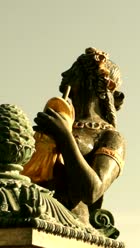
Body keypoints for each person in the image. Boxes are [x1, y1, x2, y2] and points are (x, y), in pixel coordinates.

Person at [28, 48, 126, 225]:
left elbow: (92, 191)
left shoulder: (110, 137)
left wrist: (65, 137)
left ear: (91, 80)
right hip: (32, 214)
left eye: (74, 70)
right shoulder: (61, 121)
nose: (64, 74)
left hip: (70, 226)